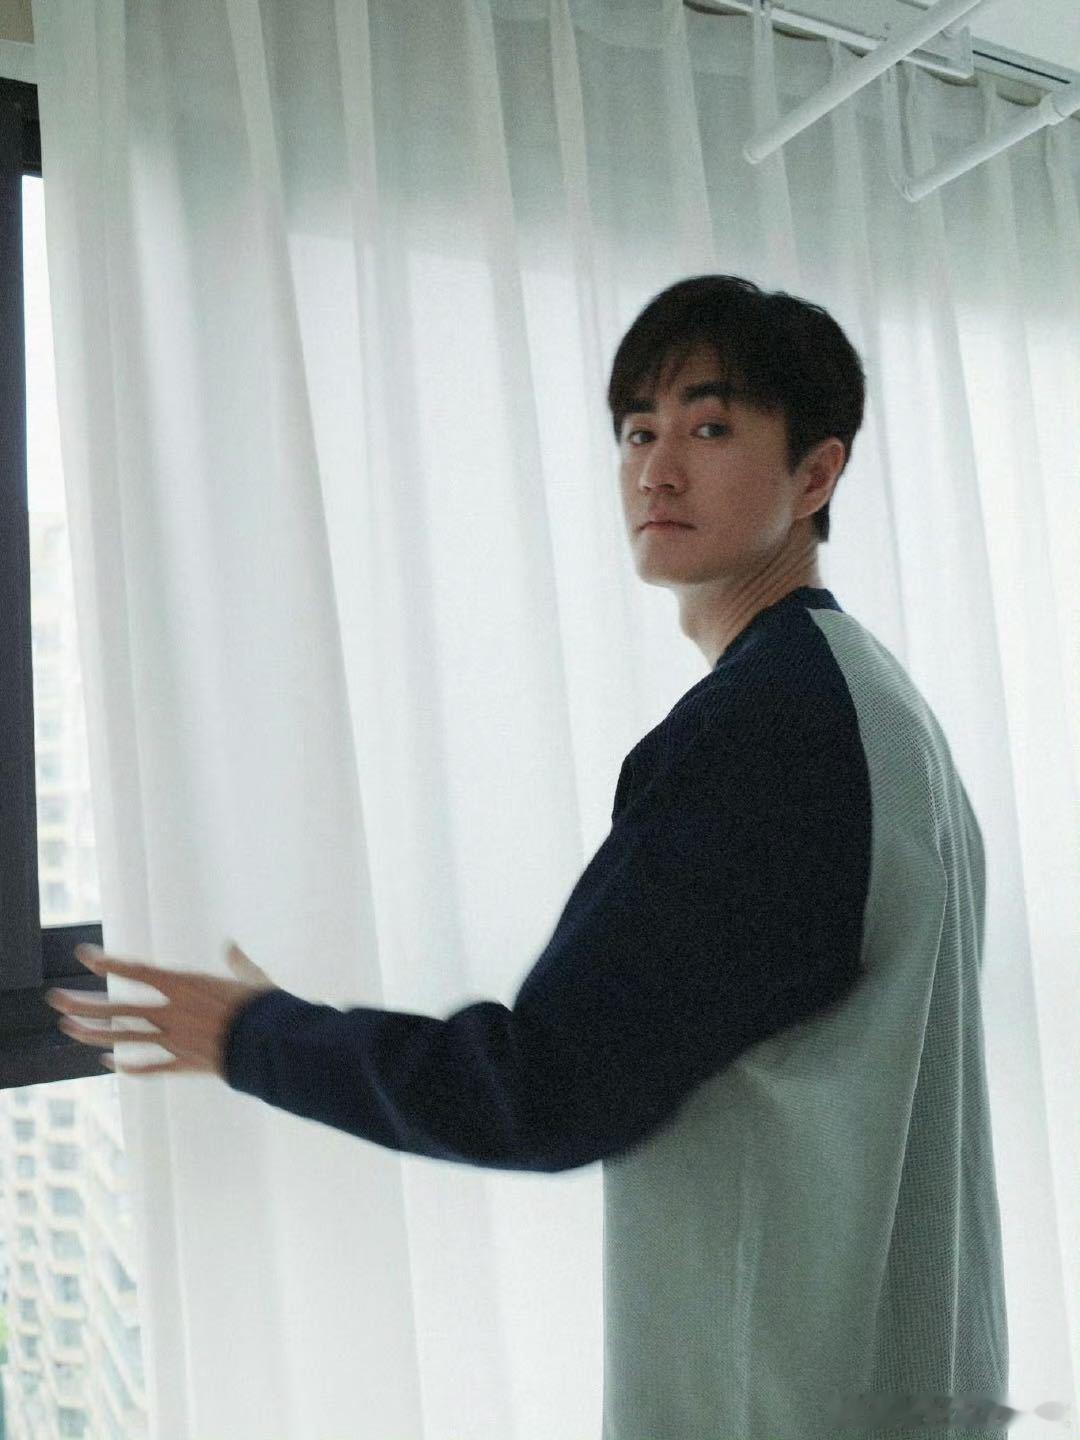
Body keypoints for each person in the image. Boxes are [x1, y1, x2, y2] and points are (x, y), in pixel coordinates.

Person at [48, 275, 1010, 1439]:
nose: (658, 471)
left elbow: (542, 1091)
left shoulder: (771, 730)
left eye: (710, 428)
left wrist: (255, 1036)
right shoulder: (872, 704)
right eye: (638, 432)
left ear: (816, 475)